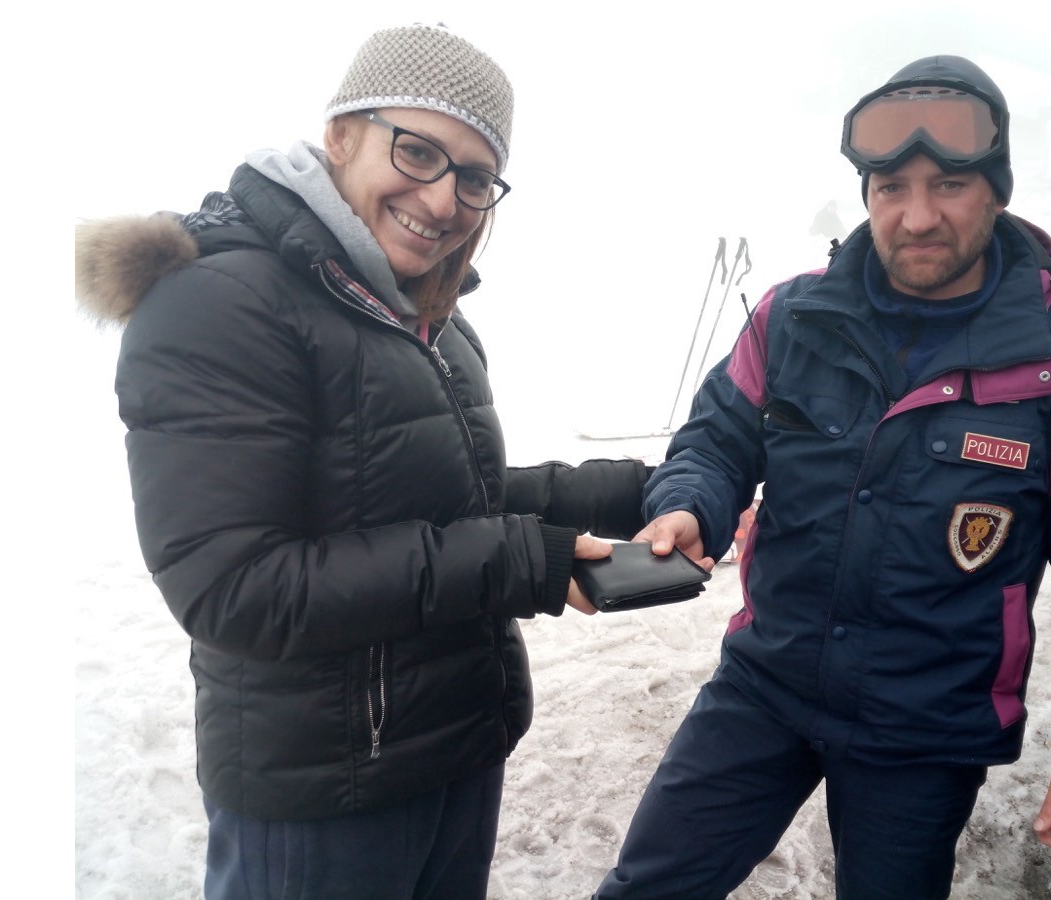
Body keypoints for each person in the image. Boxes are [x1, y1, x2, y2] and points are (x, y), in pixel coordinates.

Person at [74, 23, 650, 900]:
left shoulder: (429, 316)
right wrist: (527, 562)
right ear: (340, 135)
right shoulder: (221, 303)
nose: (444, 198)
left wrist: (635, 492)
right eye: (417, 151)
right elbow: (234, 586)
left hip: (452, 750)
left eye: (474, 175)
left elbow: (458, 497)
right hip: (324, 796)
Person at [594, 54, 1051, 899]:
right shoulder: (793, 318)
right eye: (889, 187)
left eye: (948, 184)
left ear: (998, 191)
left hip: (926, 729)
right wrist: (689, 506)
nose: (916, 216)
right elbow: (717, 441)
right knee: (645, 888)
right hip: (766, 685)